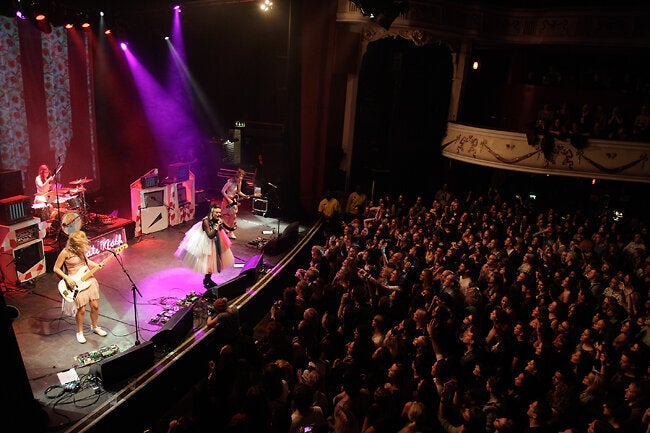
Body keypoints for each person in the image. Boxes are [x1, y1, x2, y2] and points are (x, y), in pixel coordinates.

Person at [53, 230, 108, 344]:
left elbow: (86, 260)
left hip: (88, 278)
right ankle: (80, 332)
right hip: (75, 282)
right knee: (81, 309)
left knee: (95, 306)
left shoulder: (81, 250)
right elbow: (56, 268)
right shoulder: (65, 252)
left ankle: (95, 327)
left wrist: (97, 265)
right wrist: (67, 278)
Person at [175, 202, 236, 289]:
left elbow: (228, 227)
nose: (219, 214)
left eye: (219, 212)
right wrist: (216, 226)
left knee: (215, 260)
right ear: (212, 212)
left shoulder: (219, 219)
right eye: (216, 212)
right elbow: (210, 235)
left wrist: (233, 228)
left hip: (217, 239)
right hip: (206, 241)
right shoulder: (206, 221)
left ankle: (207, 279)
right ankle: (206, 280)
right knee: (208, 261)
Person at [221, 168, 249, 239]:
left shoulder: (239, 182)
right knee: (225, 216)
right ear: (236, 177)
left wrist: (245, 196)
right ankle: (224, 230)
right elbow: (223, 191)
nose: (240, 181)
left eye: (241, 179)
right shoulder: (229, 182)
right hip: (227, 201)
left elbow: (239, 192)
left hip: (233, 201)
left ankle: (231, 232)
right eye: (239, 179)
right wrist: (228, 199)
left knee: (233, 216)